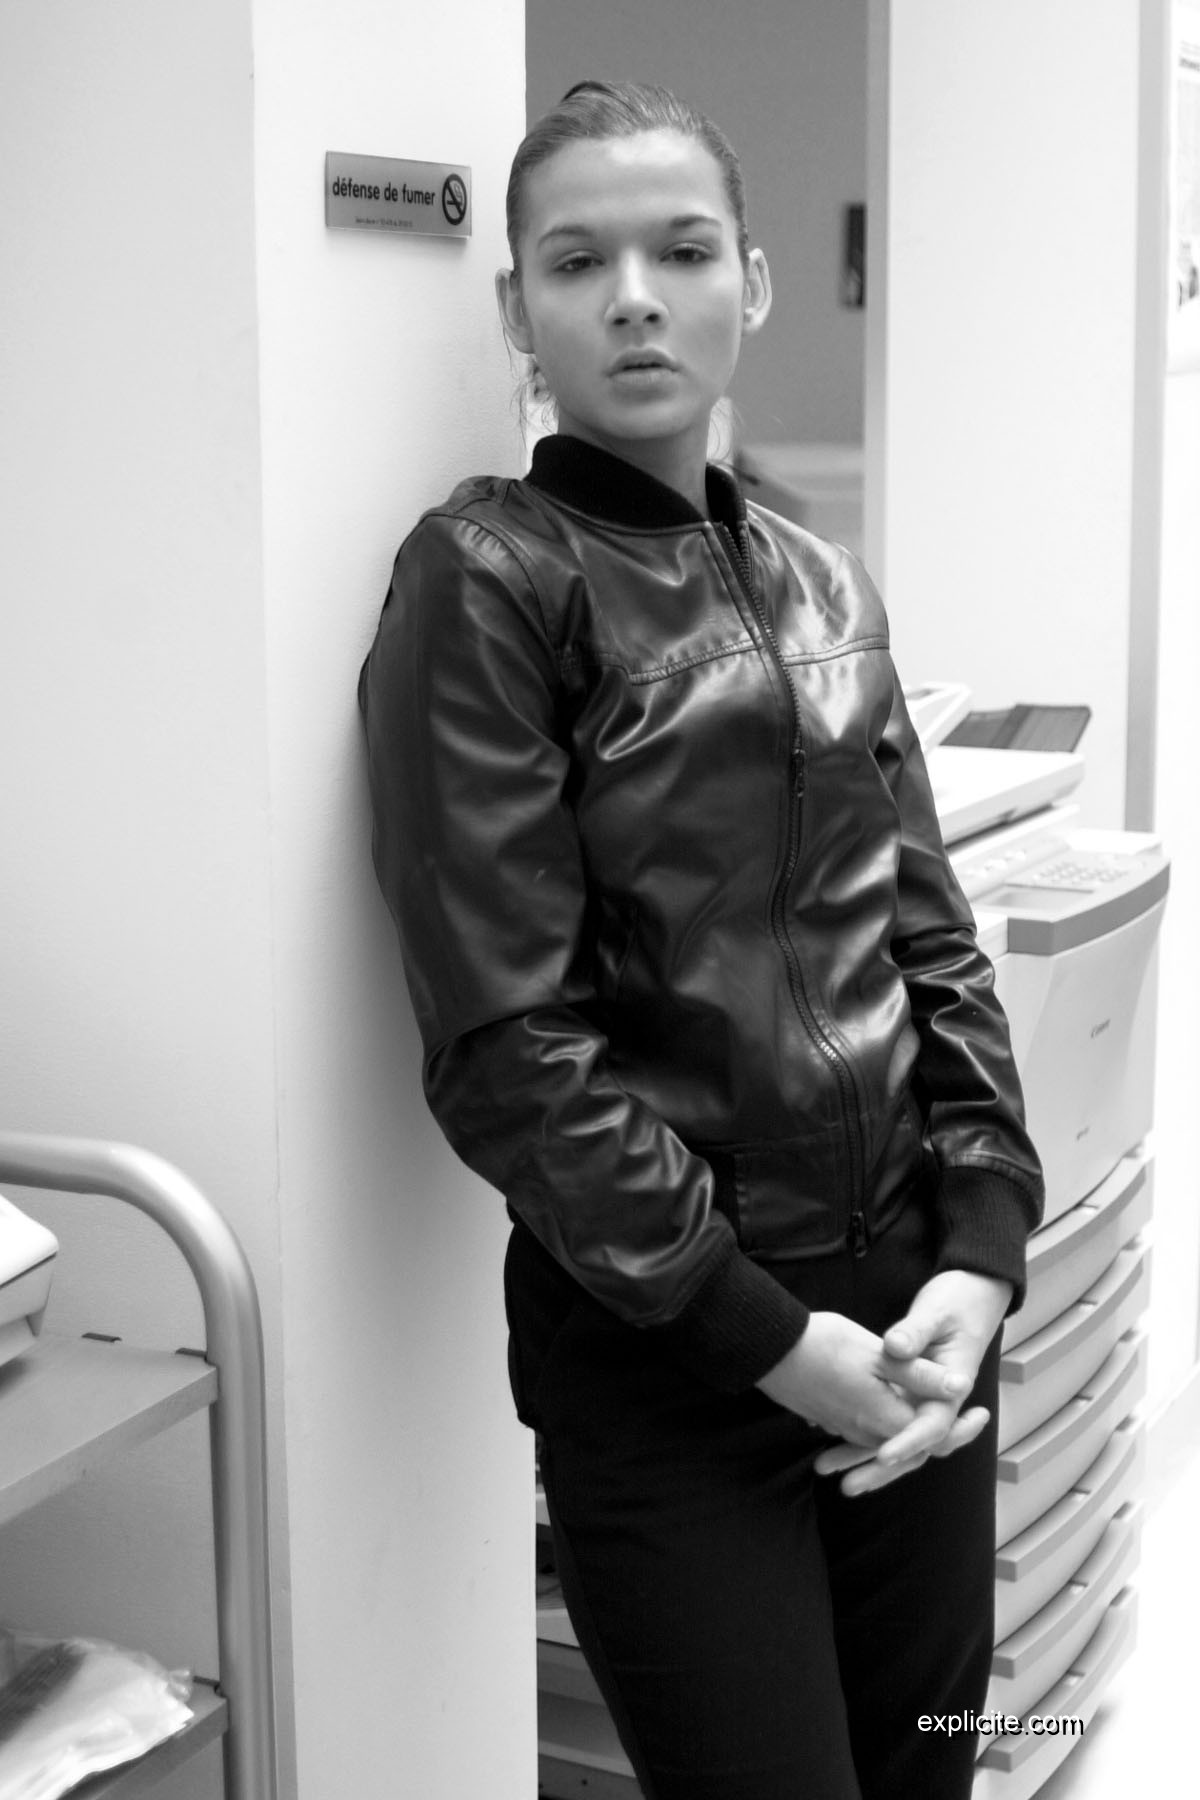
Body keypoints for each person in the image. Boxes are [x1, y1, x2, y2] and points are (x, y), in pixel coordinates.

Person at [359, 79, 1044, 1800]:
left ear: (753, 280)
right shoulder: (488, 577)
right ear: (517, 308)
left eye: (679, 252)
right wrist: (774, 1343)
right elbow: (509, 1051)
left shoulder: (825, 584)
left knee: (931, 1769)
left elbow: (934, 944)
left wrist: (980, 1253)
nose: (634, 299)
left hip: (912, 1324)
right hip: (678, 1351)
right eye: (576, 262)